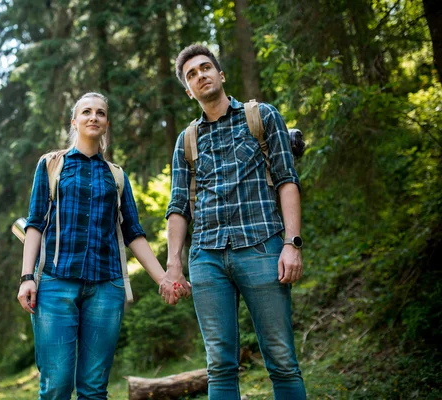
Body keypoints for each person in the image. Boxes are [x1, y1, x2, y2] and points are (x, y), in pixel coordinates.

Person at [17, 92, 190, 399]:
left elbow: (133, 233)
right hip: (56, 285)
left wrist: (163, 277)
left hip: (106, 290)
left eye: (100, 113)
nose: (93, 117)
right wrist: (27, 277)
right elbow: (35, 223)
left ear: (107, 123)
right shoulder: (50, 166)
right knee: (56, 386)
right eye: (86, 112)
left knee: (94, 389)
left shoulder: (117, 176)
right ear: (75, 121)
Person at [162, 45, 307, 399]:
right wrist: (174, 264)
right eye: (192, 74)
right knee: (220, 368)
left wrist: (292, 243)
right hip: (207, 259)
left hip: (262, 247)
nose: (201, 76)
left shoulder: (263, 116)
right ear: (188, 89)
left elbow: (287, 180)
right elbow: (178, 205)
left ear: (220, 74)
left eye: (205, 68)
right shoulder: (186, 141)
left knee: (282, 360)